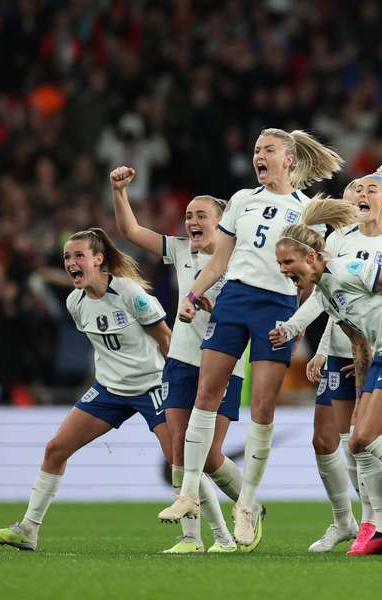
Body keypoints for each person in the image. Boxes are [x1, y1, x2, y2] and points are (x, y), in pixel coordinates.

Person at [157, 128, 344, 552]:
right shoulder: (241, 200)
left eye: (268, 150)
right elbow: (220, 261)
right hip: (235, 300)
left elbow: (315, 277)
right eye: (256, 149)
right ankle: (188, 493)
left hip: (275, 307)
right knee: (206, 391)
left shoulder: (307, 210)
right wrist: (193, 295)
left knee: (262, 407)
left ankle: (246, 505)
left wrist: (298, 324)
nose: (259, 156)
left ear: (289, 160)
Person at [271, 198, 382, 555]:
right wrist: (362, 386)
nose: (283, 270)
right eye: (279, 263)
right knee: (357, 441)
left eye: (287, 262)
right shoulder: (325, 289)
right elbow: (357, 339)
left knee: (366, 436)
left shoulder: (345, 269)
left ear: (310, 257)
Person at [0, 229, 174, 551]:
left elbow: (165, 339)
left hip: (152, 385)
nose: (71, 263)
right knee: (56, 448)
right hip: (110, 389)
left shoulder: (131, 294)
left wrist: (175, 386)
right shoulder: (75, 302)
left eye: (78, 255)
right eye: (67, 257)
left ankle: (211, 533)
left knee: (179, 459)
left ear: (99, 259)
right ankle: (29, 529)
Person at [111, 165, 244, 553]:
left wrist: (213, 306)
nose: (192, 221)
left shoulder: (238, 261)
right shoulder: (181, 249)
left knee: (210, 456)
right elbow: (131, 233)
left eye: (201, 215)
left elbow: (246, 309)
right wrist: (119, 192)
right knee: (178, 452)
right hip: (181, 360)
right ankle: (191, 538)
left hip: (223, 362)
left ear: (222, 224)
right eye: (188, 215)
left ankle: (247, 507)